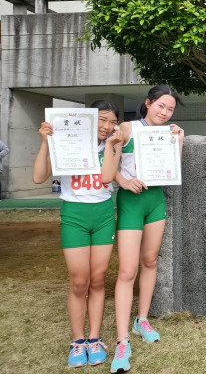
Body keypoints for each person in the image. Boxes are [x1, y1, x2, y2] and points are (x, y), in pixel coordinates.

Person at [32, 100, 123, 368]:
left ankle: (94, 338)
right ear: (88, 119)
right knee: (79, 281)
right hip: (74, 215)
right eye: (102, 119)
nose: (107, 126)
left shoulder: (113, 144)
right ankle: (77, 341)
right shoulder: (66, 141)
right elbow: (38, 177)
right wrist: (45, 142)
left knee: (98, 279)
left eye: (112, 121)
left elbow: (107, 177)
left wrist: (111, 146)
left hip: (103, 215)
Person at [110, 85, 184, 374]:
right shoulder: (127, 128)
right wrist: (123, 181)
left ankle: (141, 320)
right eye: (160, 106)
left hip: (155, 200)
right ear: (148, 103)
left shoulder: (168, 133)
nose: (164, 112)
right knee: (127, 270)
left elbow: (172, 169)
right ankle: (122, 340)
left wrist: (178, 141)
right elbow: (108, 162)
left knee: (150, 260)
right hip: (131, 200)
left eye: (170, 109)